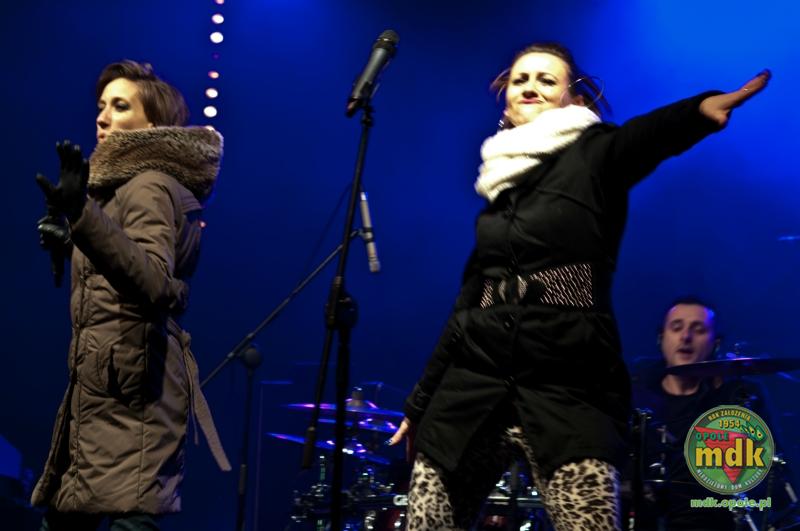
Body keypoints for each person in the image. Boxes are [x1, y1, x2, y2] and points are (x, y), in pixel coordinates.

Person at [388, 41, 771, 531]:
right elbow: (466, 307)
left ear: (573, 99)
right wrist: (420, 403)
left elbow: (642, 137)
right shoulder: (498, 184)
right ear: (506, 98)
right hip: (474, 387)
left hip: (566, 385)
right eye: (521, 79)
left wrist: (697, 112)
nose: (530, 86)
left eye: (546, 79)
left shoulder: (595, 154)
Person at [31, 60, 230, 531]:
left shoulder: (149, 185)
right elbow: (120, 265)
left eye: (120, 106)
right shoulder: (121, 190)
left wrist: (83, 219)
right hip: (104, 400)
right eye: (102, 105)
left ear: (152, 126)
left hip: (133, 404)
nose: (102, 117)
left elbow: (155, 282)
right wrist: (72, 238)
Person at [631, 297, 782, 530]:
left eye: (698, 329)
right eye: (676, 327)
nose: (685, 337)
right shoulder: (636, 394)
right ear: (661, 337)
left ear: (715, 343)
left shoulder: (735, 398)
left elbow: (771, 477)